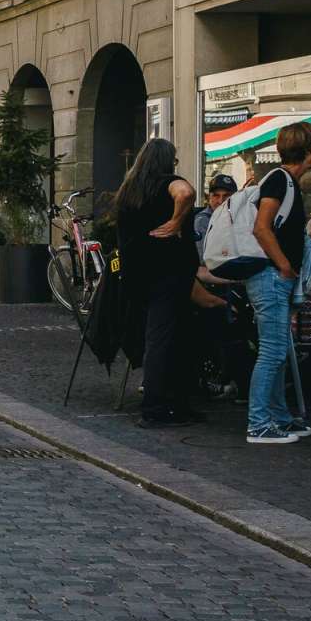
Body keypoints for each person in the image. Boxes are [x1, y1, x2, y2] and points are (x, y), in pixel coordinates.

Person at [238, 121, 311, 444]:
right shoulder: (279, 180)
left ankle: (279, 417)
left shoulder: (283, 181)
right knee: (272, 351)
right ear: (309, 150)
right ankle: (259, 424)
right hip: (270, 277)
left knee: (279, 349)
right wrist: (285, 265)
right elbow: (262, 227)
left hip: (272, 277)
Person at [115, 137, 200, 427]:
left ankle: (173, 403)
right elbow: (186, 192)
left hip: (139, 275)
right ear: (167, 161)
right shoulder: (168, 182)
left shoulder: (130, 190)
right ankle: (156, 408)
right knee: (166, 340)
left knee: (162, 337)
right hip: (168, 274)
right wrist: (177, 222)